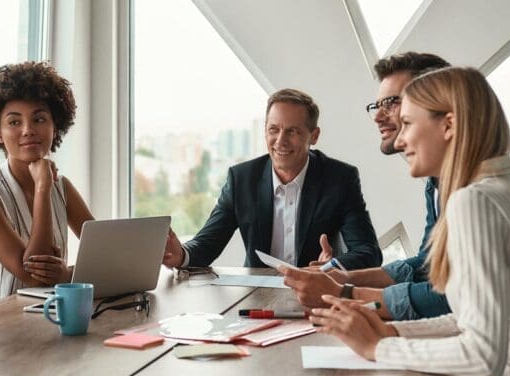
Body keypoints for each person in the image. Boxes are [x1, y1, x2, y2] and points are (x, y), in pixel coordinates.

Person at [310, 67, 510, 376]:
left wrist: (380, 347)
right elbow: (469, 319)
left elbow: (484, 353)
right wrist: (391, 330)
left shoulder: (474, 200)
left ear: (448, 125)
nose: (400, 139)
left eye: (407, 123)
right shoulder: (508, 186)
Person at [280, 52, 453, 318]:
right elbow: (427, 265)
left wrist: (345, 293)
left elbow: (456, 299)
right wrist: (345, 278)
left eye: (392, 103)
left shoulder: (477, 194)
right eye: (377, 106)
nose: (378, 116)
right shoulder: (437, 182)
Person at [162, 89, 381, 270]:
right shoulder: (241, 180)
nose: (280, 141)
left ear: (314, 136)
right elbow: (208, 243)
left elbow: (368, 252)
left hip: (318, 294)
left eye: (292, 131)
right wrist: (181, 254)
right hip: (257, 298)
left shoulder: (340, 179)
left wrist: (330, 267)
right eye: (273, 130)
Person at [0, 61, 94, 313]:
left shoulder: (62, 187)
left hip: (41, 316)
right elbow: (34, 277)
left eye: (39, 119)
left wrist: (66, 274)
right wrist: (42, 189)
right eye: (14, 122)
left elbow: (104, 254)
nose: (28, 130)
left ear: (55, 126)